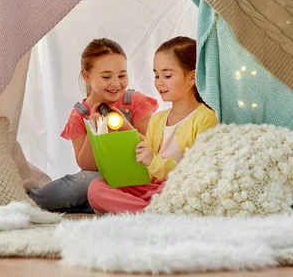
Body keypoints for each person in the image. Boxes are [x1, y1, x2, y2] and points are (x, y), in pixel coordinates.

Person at [87, 36, 218, 213]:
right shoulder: (158, 119)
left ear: (192, 77)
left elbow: (196, 175)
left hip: (177, 188)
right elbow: (146, 167)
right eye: (156, 75)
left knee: (172, 190)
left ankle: (148, 212)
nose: (159, 82)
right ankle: (149, 212)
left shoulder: (205, 118)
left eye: (167, 75)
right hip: (151, 188)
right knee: (96, 187)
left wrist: (153, 162)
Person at [27, 38, 158, 213]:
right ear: (87, 76)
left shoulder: (134, 102)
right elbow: (86, 166)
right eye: (106, 77)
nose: (115, 83)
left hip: (139, 177)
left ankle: (99, 205)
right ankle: (28, 200)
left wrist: (125, 126)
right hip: (100, 179)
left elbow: (152, 148)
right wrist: (94, 131)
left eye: (122, 75)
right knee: (76, 186)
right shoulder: (80, 114)